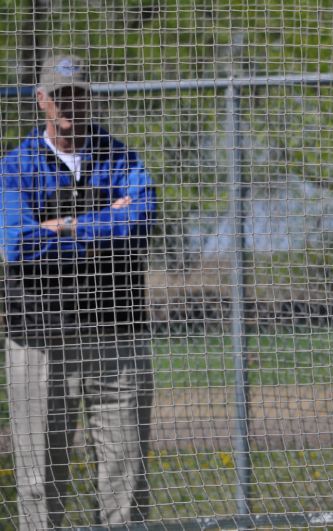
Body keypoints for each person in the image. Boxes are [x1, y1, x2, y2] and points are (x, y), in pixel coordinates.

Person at [0, 54, 157, 529]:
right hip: (39, 337)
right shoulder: (15, 167)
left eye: (79, 94)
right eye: (60, 95)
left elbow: (141, 223)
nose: (70, 105)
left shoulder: (124, 159)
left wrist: (63, 227)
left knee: (125, 477)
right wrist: (102, 224)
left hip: (117, 335)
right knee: (39, 479)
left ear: (93, 99)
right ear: (42, 100)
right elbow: (16, 244)